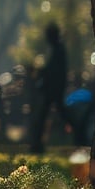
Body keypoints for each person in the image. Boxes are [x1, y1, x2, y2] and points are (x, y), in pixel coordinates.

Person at [28, 23, 70, 153]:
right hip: (54, 89)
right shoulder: (58, 49)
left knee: (45, 116)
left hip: (54, 90)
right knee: (57, 114)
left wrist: (41, 73)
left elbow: (54, 71)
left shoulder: (58, 50)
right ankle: (38, 143)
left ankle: (37, 144)